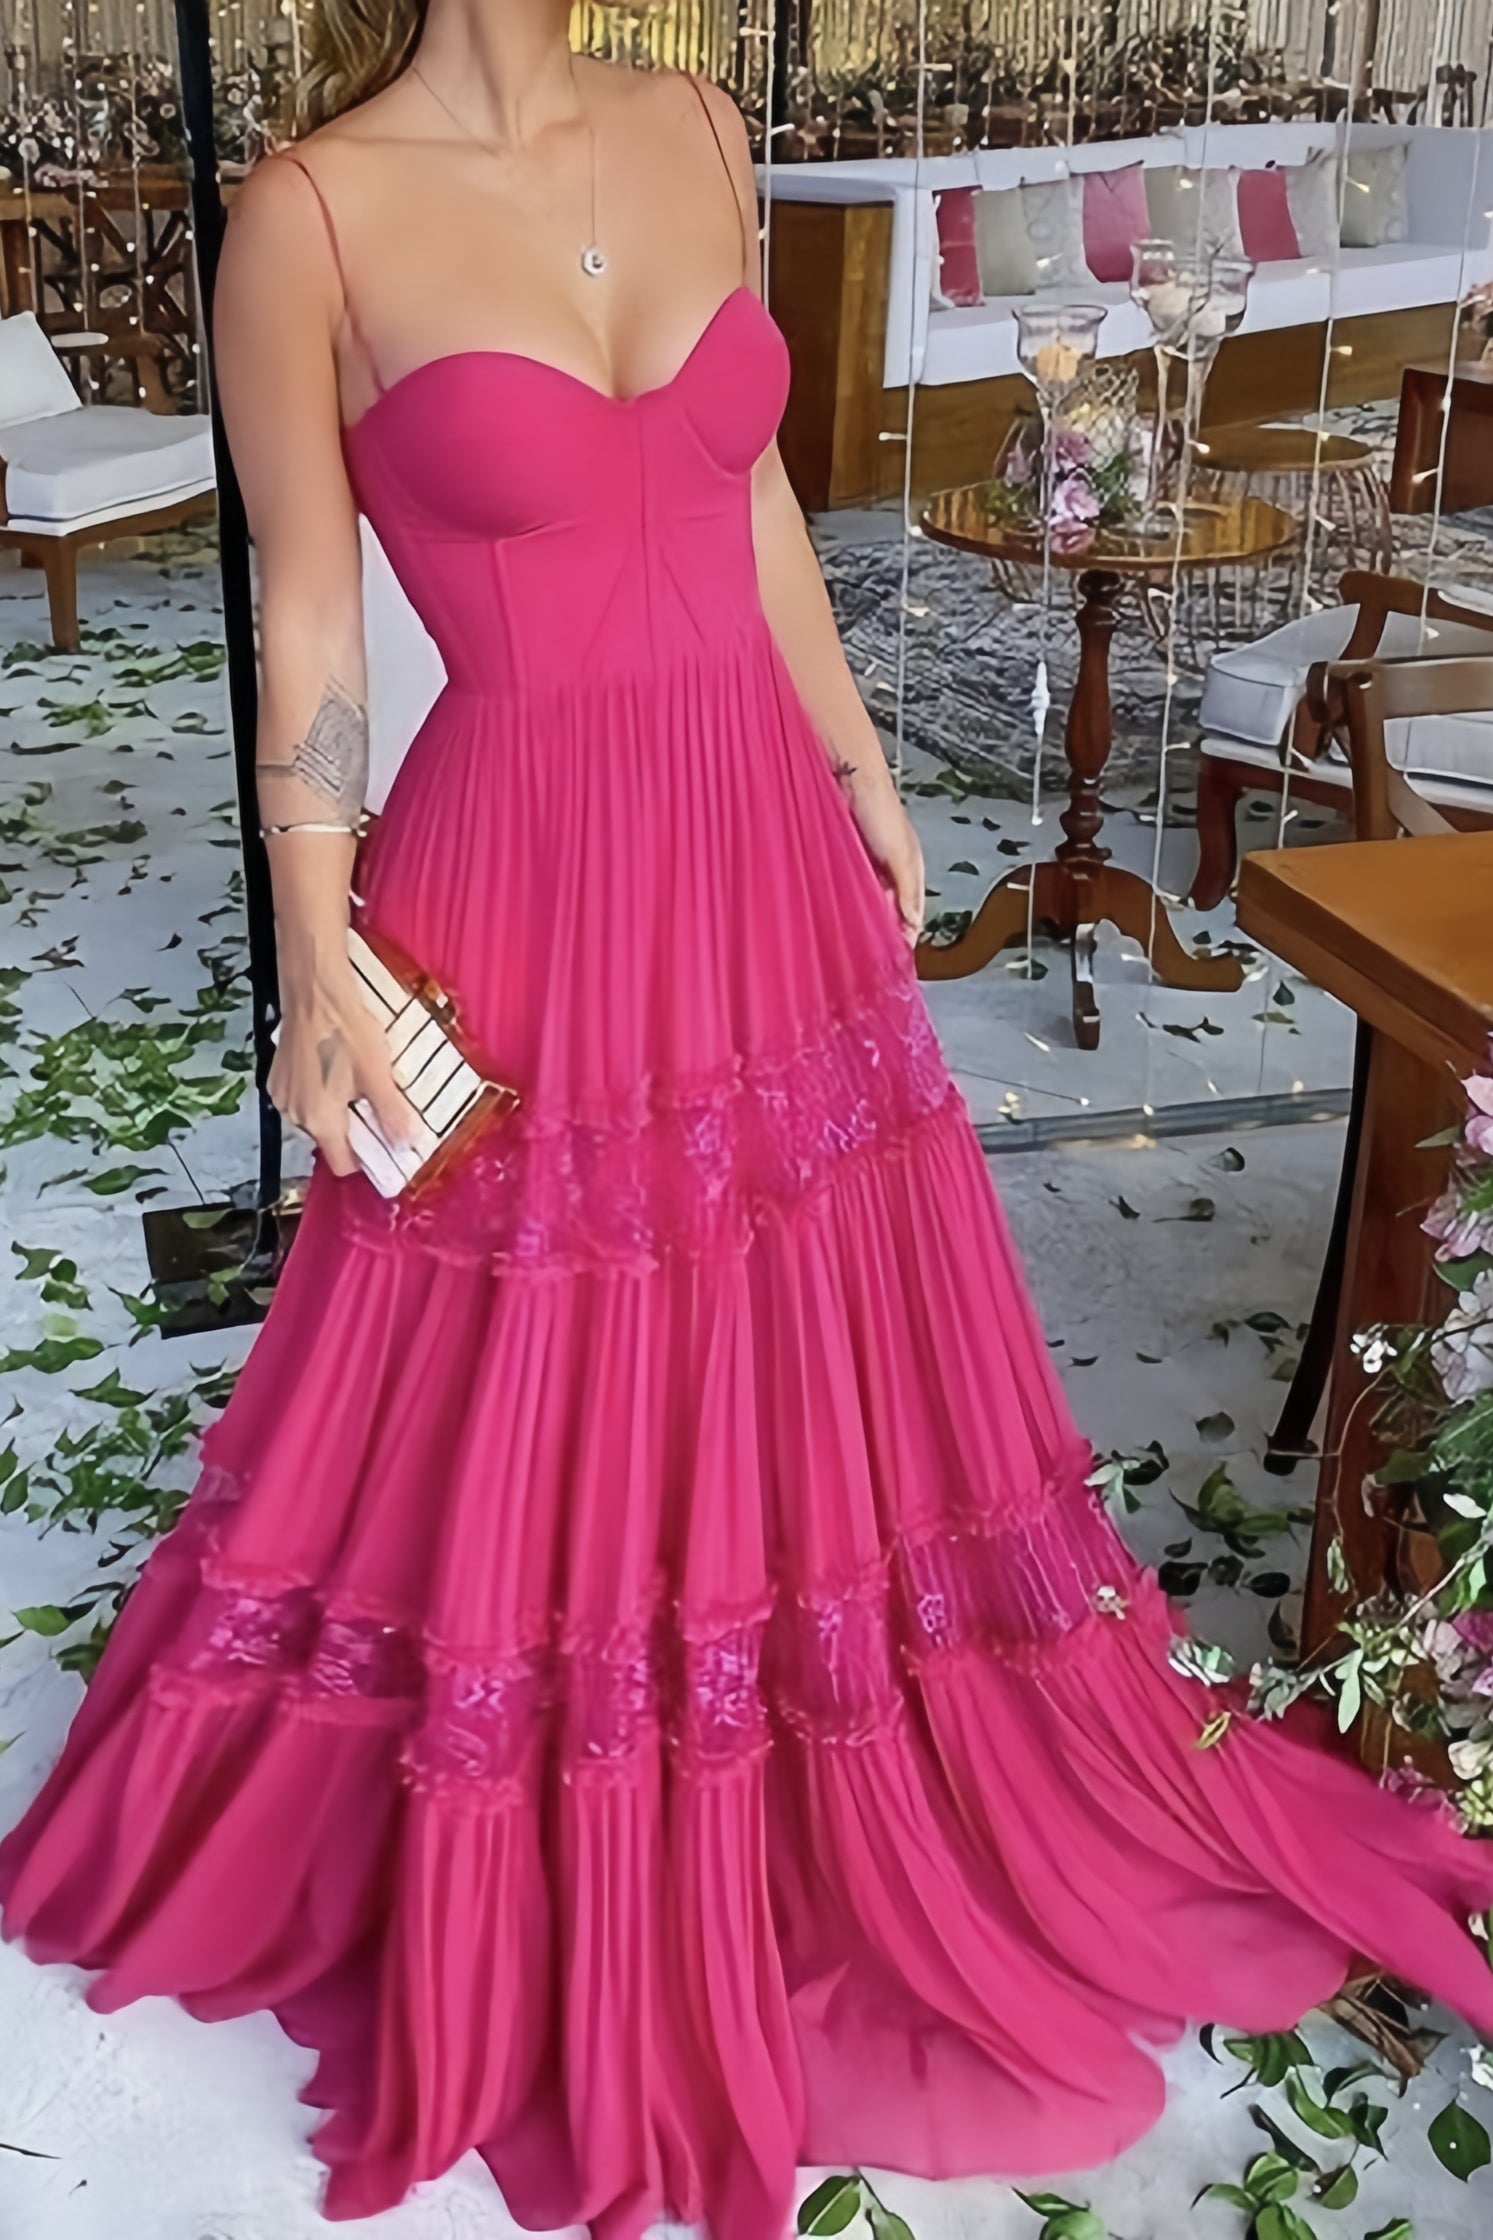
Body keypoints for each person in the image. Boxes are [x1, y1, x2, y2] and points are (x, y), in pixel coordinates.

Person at [4, 6, 1493, 2237]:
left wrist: (858, 757)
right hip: (513, 865)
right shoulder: (309, 214)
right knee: (529, 1344)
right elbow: (307, 614)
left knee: (804, 1298)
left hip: (755, 841)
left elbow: (757, 500)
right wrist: (316, 950)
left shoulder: (702, 127)